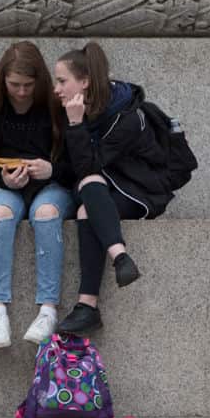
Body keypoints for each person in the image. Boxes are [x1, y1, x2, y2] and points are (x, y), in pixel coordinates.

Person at [53, 41, 174, 335]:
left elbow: (88, 168)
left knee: (90, 185)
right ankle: (89, 303)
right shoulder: (75, 111)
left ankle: (118, 259)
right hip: (102, 192)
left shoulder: (127, 118)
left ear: (85, 82)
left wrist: (75, 124)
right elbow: (74, 168)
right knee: (85, 208)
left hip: (140, 192)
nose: (56, 89)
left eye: (61, 81)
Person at [0, 41, 76, 350]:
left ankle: (48, 308)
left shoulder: (54, 106)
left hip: (50, 185)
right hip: (6, 187)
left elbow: (77, 164)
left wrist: (51, 170)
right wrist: (4, 178)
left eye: (28, 85)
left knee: (46, 214)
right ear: (3, 81)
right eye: (14, 85)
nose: (21, 92)